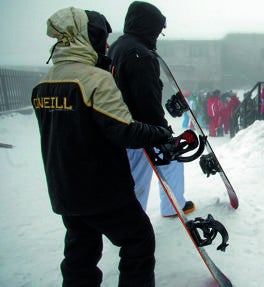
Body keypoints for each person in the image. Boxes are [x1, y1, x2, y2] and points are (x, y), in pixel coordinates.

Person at [32, 7, 176, 286]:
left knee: (80, 253)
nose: (107, 44)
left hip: (64, 189)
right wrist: (159, 133)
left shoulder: (45, 83)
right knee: (138, 241)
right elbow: (124, 130)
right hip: (101, 187)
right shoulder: (95, 80)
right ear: (87, 36)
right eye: (102, 37)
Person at [108, 1, 194, 218]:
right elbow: (147, 97)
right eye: (157, 31)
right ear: (149, 27)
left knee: (167, 164)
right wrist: (162, 130)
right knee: (144, 174)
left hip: (122, 124)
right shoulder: (140, 54)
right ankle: (135, 221)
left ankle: (167, 206)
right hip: (139, 128)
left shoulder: (118, 46)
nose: (158, 36)